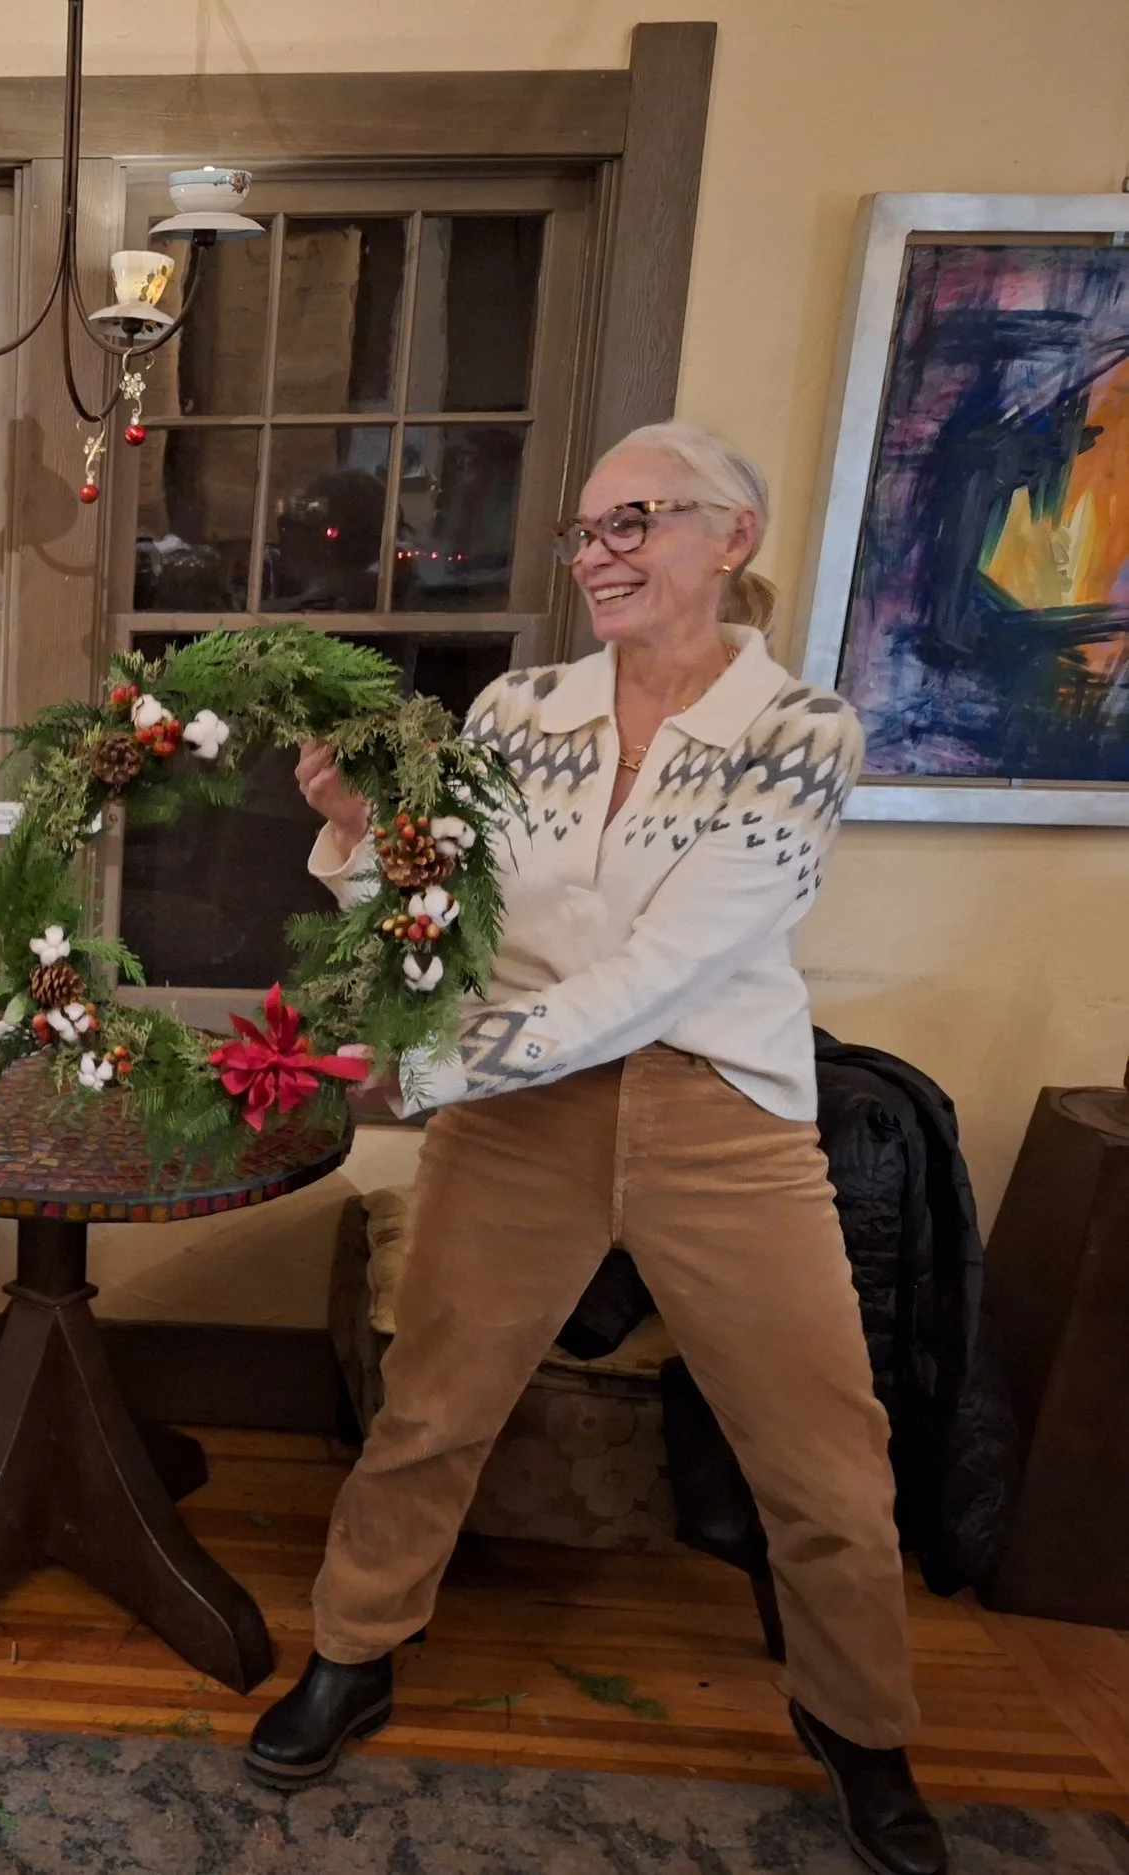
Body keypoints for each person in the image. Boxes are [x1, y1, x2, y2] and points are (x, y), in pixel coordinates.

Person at [248, 422, 947, 1875]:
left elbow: (670, 970)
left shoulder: (801, 730)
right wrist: (364, 832)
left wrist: (432, 1071)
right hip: (524, 1119)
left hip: (719, 1112)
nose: (601, 554)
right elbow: (452, 898)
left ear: (731, 539)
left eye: (637, 520)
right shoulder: (519, 709)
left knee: (824, 1456)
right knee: (432, 1401)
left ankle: (860, 1724)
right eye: (586, 531)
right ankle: (356, 1645)